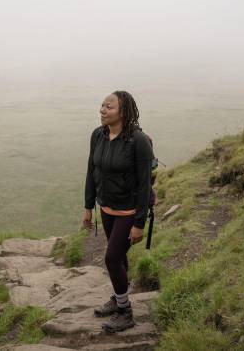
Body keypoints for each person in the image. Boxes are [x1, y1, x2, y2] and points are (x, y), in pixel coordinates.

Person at [82, 90, 154, 333]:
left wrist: (139, 223)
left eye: (109, 107)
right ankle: (118, 297)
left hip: (129, 211)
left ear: (123, 112)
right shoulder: (98, 135)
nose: (103, 110)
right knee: (119, 258)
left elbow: (145, 184)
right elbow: (92, 171)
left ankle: (125, 311)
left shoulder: (138, 141)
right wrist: (88, 206)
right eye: (102, 105)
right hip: (107, 207)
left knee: (111, 258)